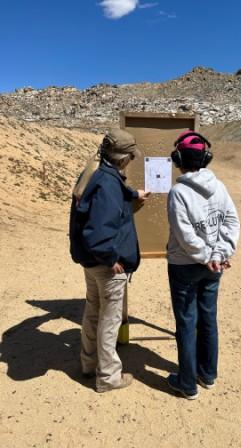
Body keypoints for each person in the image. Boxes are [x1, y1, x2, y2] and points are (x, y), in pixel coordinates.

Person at [69, 129, 150, 393]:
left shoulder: (98, 172)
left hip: (90, 263)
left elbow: (108, 197)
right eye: (130, 157)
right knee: (109, 319)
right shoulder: (107, 183)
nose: (131, 161)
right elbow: (99, 229)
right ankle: (108, 377)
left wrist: (132, 194)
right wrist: (112, 258)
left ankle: (88, 364)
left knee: (93, 312)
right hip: (106, 264)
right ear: (123, 157)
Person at [166, 131, 240, 400]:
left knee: (187, 323)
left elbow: (185, 235)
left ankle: (187, 384)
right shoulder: (219, 186)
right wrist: (219, 253)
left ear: (178, 159)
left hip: (185, 265)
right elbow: (231, 222)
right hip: (213, 265)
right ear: (205, 158)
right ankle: (207, 374)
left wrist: (208, 254)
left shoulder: (178, 192)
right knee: (207, 318)